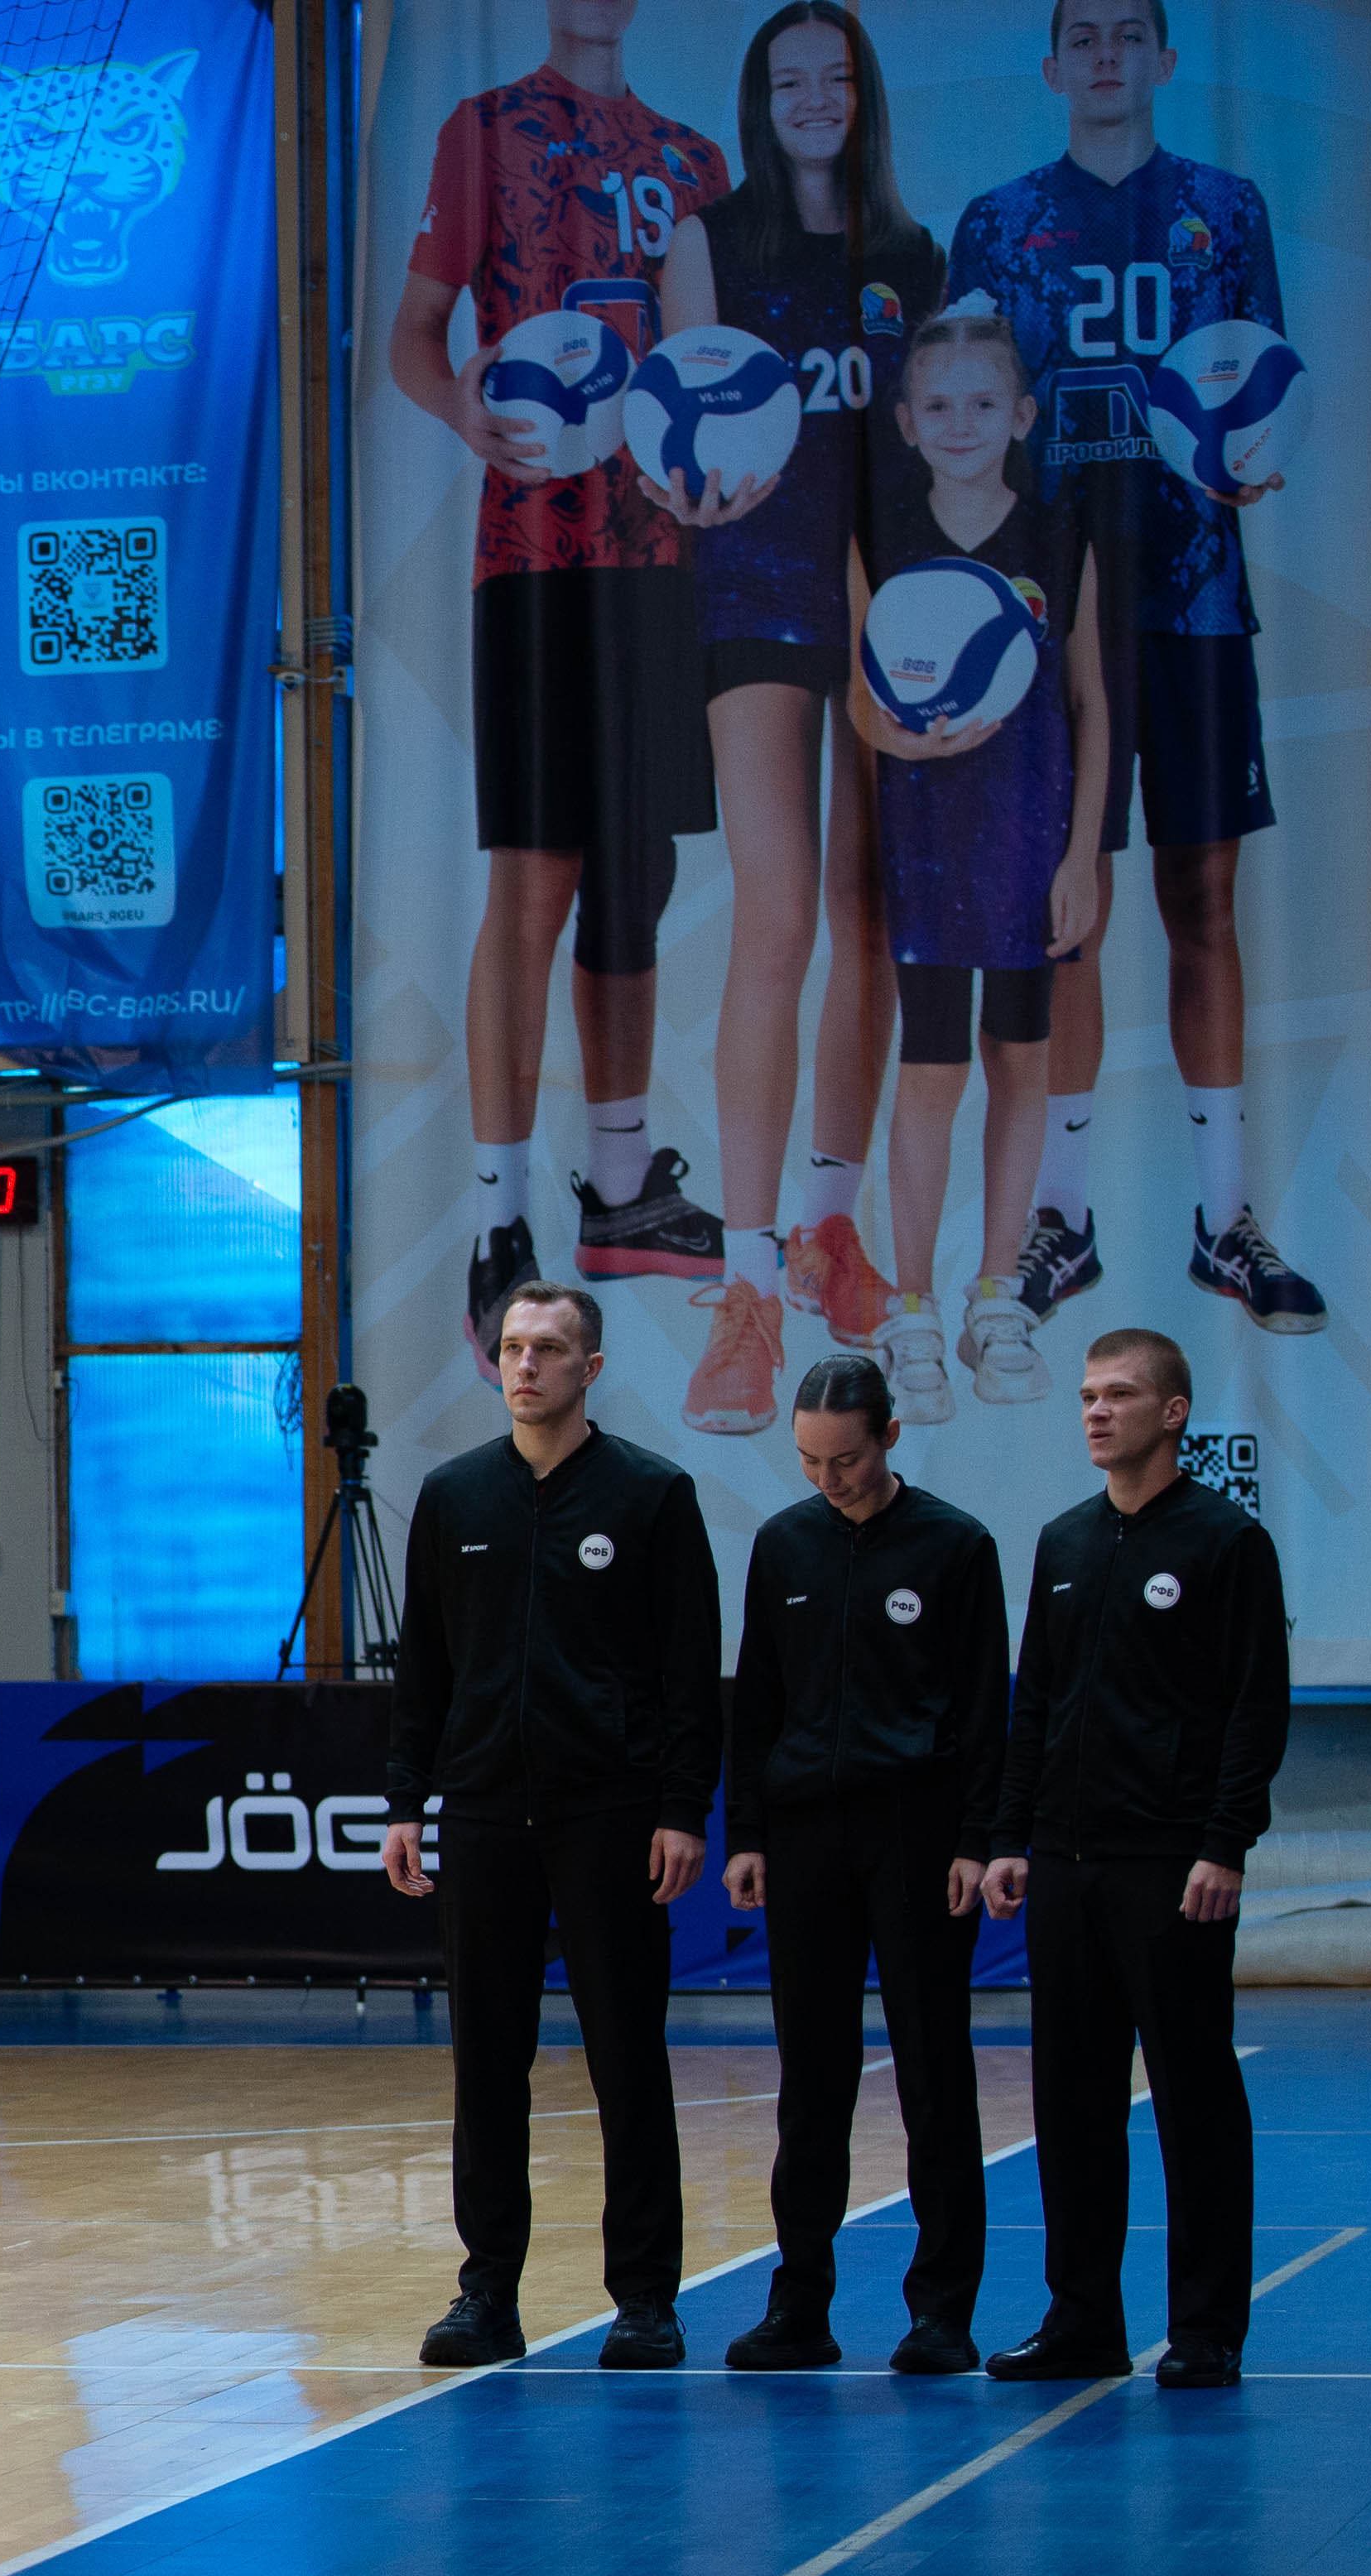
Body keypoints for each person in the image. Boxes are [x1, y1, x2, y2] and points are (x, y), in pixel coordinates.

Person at [950, 0, 1324, 1340]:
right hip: (1054, 609)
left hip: (1194, 594)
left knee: (1202, 896)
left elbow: (1267, 393)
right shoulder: (998, 224)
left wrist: (1257, 455)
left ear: (1164, 60)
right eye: (1084, 36)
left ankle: (1225, 1222)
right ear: (1052, 65)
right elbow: (962, 421)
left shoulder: (1225, 209)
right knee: (1070, 912)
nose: (1106, 56)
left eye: (1129, 34)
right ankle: (1064, 1217)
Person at [388, 0, 734, 1374]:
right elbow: (417, 336)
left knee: (636, 871)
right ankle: (497, 1218)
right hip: (532, 556)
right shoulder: (485, 130)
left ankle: (621, 1180)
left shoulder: (693, 159)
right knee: (534, 877)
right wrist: (459, 405)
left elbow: (706, 359)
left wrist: (714, 464)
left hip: (657, 557)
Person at [652, 1, 936, 1430]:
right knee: (776, 920)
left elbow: (932, 442)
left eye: (836, 77)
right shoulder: (710, 241)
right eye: (789, 80)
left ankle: (830, 1228)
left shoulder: (910, 256)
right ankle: (747, 1286)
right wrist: (690, 486)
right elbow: (685, 430)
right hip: (758, 594)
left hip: (891, 608)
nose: (815, 98)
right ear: (760, 103)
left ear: (861, 95)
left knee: (871, 912)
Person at [380, 1285, 723, 2366]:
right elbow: (424, 1665)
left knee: (627, 2059)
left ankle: (646, 2299)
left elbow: (687, 1672)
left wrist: (680, 1808)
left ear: (591, 1367)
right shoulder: (454, 1496)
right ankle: (486, 2293)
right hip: (484, 1813)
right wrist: (406, 1800)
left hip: (609, 1814)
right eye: (512, 1347)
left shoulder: (651, 1494)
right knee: (487, 2063)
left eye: (548, 1349)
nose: (525, 1365)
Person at [983, 1326, 1287, 2386]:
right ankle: (1082, 2321)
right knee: (1069, 2102)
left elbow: (1254, 1705)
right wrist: (1009, 1836)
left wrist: (1223, 1841)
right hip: (1064, 1864)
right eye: (1085, 1396)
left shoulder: (1224, 1541)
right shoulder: (1064, 1542)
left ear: (1173, 1411)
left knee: (1192, 2095)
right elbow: (1035, 1701)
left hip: (1172, 1865)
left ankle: (1204, 2329)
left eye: (1117, 1394)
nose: (1096, 1412)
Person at [719, 1354, 1008, 2371]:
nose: (826, 1478)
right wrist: (746, 1832)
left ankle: (942, 2313)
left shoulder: (954, 1545)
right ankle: (799, 2307)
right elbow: (755, 1699)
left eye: (843, 1458)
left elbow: (985, 1708)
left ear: (887, 1435)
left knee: (933, 2073)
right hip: (804, 1839)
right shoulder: (783, 1544)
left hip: (918, 1839)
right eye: (808, 1459)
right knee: (811, 2081)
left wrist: (976, 1838)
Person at [849, 311, 1109, 1422]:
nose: (962, 423)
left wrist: (1082, 852)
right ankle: (911, 1306)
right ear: (908, 422)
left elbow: (1090, 702)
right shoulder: (882, 533)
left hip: (1029, 842)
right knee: (932, 1068)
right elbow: (860, 696)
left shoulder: (1056, 536)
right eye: (939, 404)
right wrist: (909, 745)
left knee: (1023, 1058)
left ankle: (995, 1295)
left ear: (1023, 415)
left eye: (984, 402)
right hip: (927, 844)